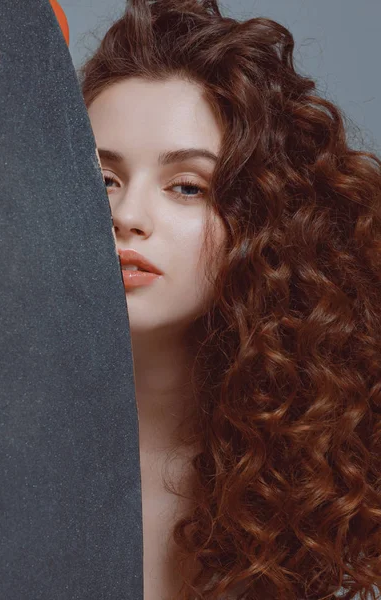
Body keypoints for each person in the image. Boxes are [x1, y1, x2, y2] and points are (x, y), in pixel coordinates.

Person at [79, 0, 381, 598]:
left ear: (266, 222)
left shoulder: (318, 470)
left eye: (186, 186)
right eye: (101, 179)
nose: (126, 216)